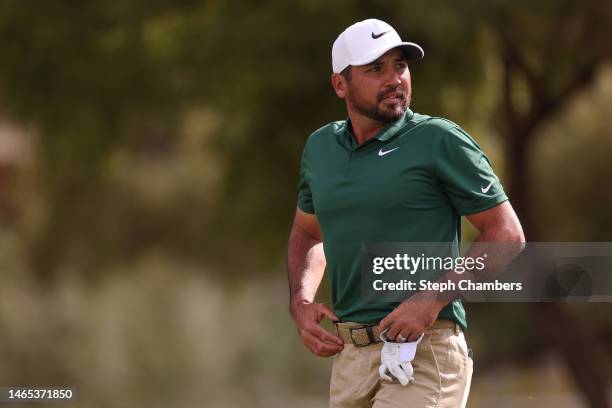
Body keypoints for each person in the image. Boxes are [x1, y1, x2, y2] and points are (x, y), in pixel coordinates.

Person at [287, 18, 524, 408]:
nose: (395, 78)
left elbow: (506, 235)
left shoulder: (439, 140)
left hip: (425, 351)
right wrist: (301, 301)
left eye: (400, 65)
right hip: (349, 360)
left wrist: (429, 301)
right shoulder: (320, 149)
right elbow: (308, 234)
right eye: (375, 69)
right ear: (340, 84)